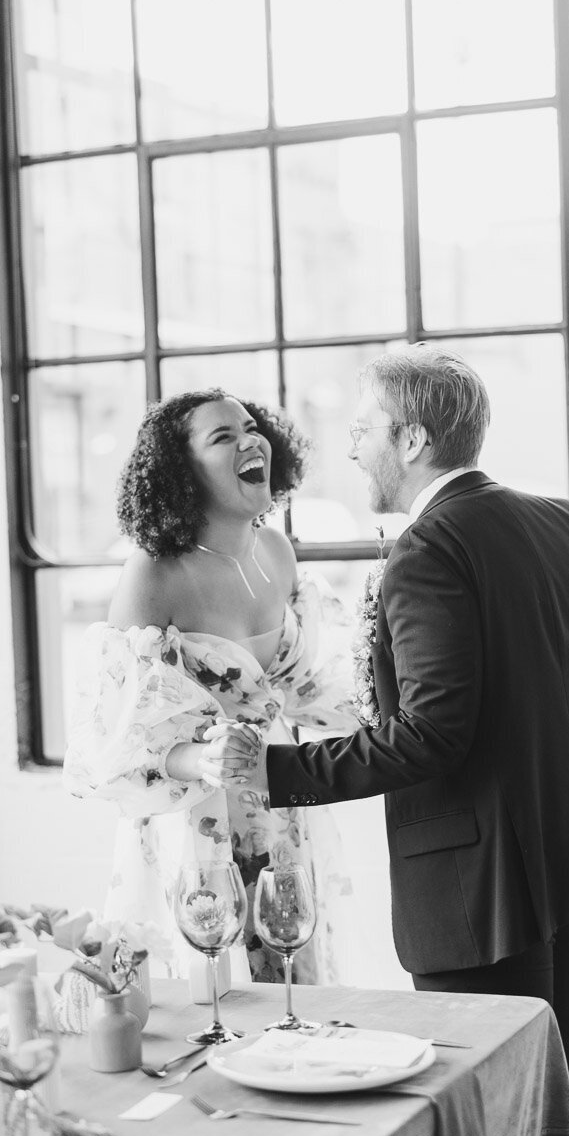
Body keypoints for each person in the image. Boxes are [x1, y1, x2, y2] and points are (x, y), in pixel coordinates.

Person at [223, 344, 569, 1136]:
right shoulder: (562, 518)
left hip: (479, 876)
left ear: (412, 439)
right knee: (559, 1080)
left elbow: (431, 736)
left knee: (482, 1097)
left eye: (362, 429)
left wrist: (279, 771)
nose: (349, 449)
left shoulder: (425, 550)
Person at [63, 389, 359, 985]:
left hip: (278, 794)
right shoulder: (153, 572)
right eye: (223, 437)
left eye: (253, 429)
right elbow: (111, 741)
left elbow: (304, 687)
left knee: (289, 971)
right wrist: (201, 757)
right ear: (183, 472)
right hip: (194, 822)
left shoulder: (276, 551)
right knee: (213, 995)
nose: (251, 442)